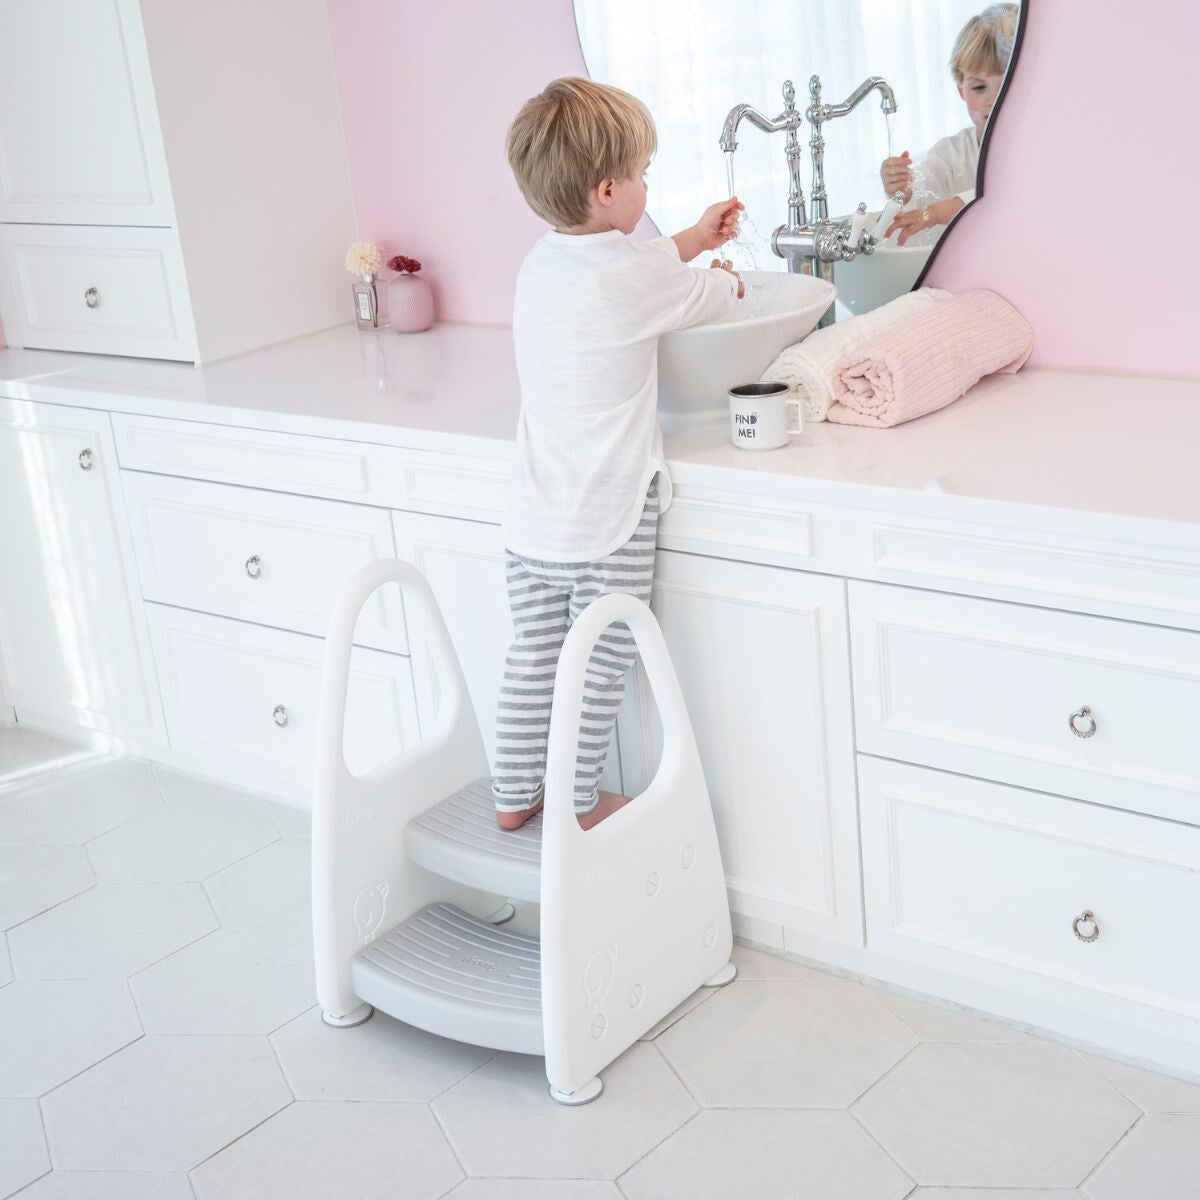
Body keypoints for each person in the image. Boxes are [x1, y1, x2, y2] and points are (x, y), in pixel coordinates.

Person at [494, 77, 743, 831]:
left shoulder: (539, 264)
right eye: (641, 175)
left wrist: (693, 239)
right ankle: (576, 804)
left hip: (534, 520)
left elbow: (636, 272)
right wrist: (724, 279)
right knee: (599, 668)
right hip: (607, 523)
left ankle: (513, 796)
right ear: (608, 191)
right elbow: (712, 299)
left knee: (534, 659)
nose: (646, 186)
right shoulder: (632, 279)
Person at [882, 3, 1018, 245]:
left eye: (1008, 84)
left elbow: (1004, 196)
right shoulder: (952, 153)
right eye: (979, 87)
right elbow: (924, 190)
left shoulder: (1037, 153)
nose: (993, 100)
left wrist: (939, 212)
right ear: (961, 90)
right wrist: (903, 188)